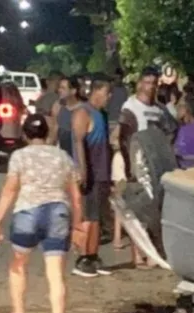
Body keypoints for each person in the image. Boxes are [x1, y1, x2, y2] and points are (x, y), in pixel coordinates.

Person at [0, 114, 82, 313]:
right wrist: (79, 224)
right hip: (58, 213)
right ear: (47, 134)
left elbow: (10, 189)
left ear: (25, 134)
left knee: (18, 264)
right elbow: (75, 195)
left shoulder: (19, 156)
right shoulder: (63, 156)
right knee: (56, 272)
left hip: (27, 213)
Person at [114, 66, 178, 268]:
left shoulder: (159, 109)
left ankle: (155, 253)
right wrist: (129, 166)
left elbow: (172, 128)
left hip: (157, 163)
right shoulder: (130, 107)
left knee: (156, 207)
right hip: (138, 162)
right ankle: (138, 254)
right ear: (140, 83)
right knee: (139, 208)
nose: (151, 87)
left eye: (154, 83)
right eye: (148, 83)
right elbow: (124, 138)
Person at [70, 76, 113, 278]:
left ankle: (94, 255)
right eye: (107, 93)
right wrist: (82, 170)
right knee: (89, 217)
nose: (109, 97)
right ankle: (83, 258)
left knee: (97, 218)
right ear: (96, 92)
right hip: (91, 172)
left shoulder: (101, 114)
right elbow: (79, 143)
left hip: (102, 171)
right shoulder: (83, 113)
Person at [49, 76, 84, 154]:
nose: (59, 90)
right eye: (59, 88)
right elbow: (54, 130)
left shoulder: (84, 109)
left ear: (73, 91)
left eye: (63, 88)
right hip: (63, 154)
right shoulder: (57, 106)